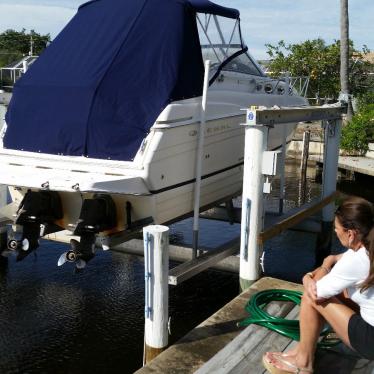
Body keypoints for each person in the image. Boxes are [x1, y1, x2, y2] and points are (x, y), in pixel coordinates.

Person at [262, 196, 374, 374]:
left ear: (350, 234)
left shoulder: (356, 260)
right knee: (340, 289)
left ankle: (304, 362)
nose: (336, 233)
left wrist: (312, 273)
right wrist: (334, 259)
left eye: (336, 229)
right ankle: (301, 351)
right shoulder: (369, 248)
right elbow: (346, 258)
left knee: (310, 296)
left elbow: (316, 291)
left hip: (370, 340)